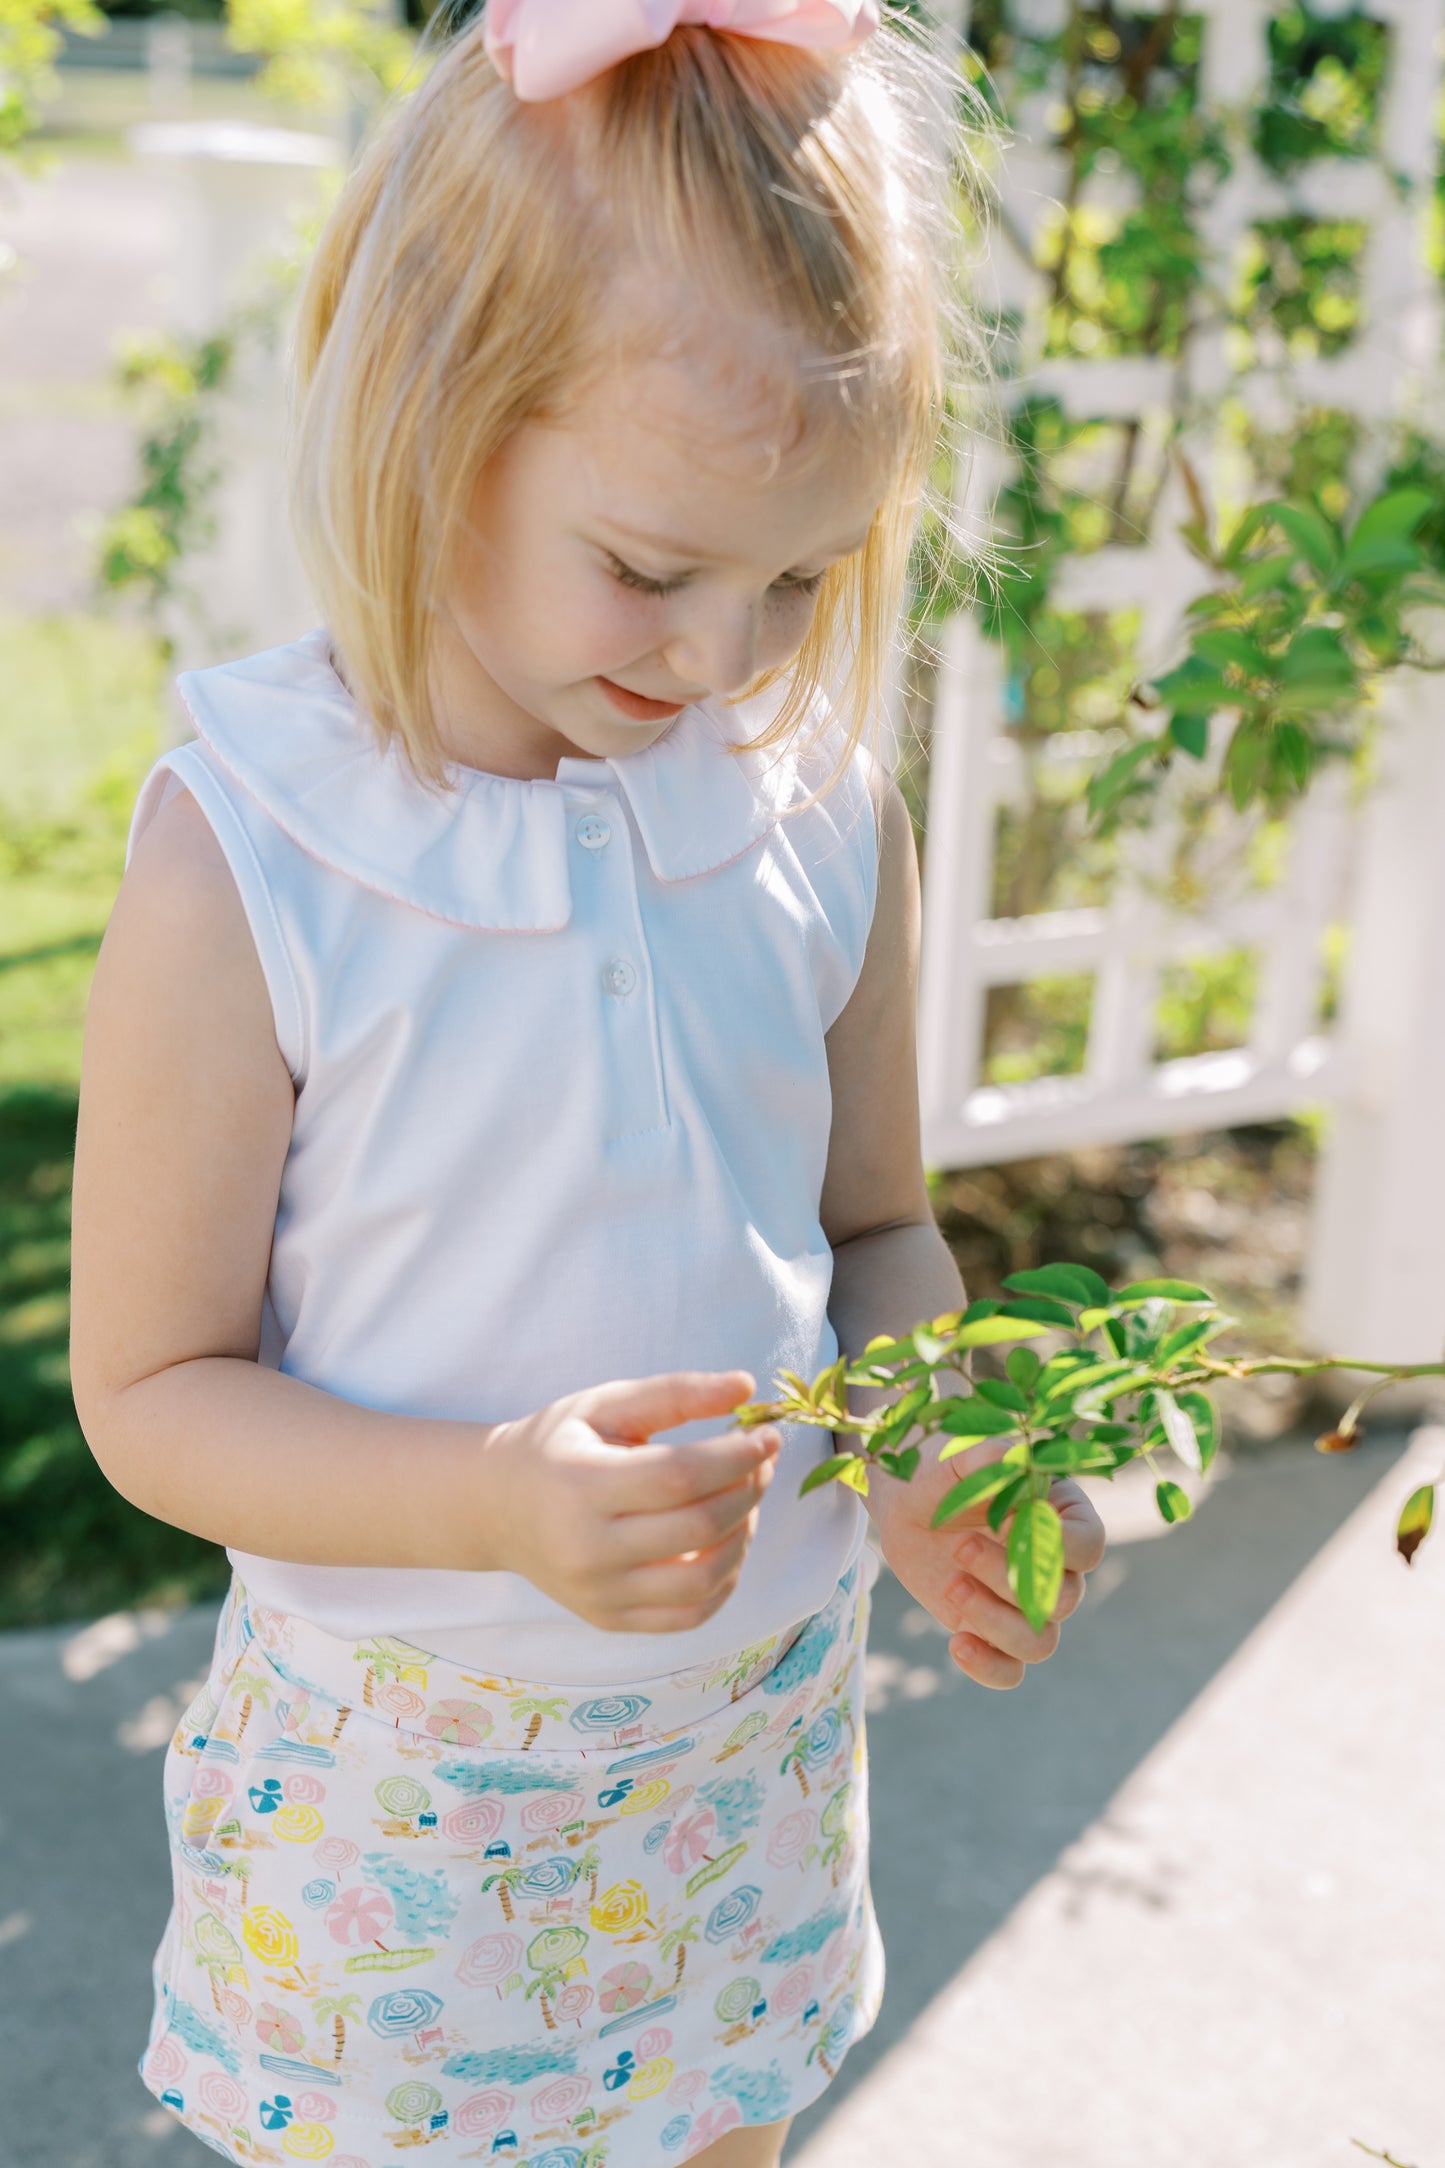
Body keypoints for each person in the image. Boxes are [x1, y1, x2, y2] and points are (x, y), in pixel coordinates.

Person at [70, 4, 1106, 2162]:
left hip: (736, 1766)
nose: (726, 659)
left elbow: (875, 1228)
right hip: (397, 1793)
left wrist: (936, 1452)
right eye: (653, 568)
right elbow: (152, 1390)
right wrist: (493, 1504)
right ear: (440, 402)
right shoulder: (255, 849)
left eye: (799, 579)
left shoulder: (813, 806)